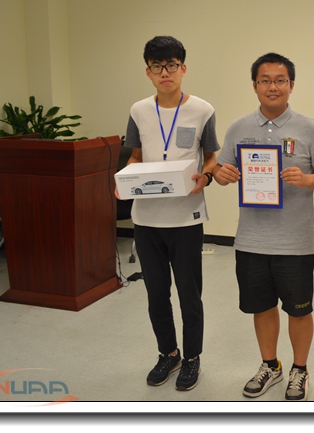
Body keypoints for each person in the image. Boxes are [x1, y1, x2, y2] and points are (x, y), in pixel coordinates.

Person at [212, 52, 314, 401]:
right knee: (262, 307)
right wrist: (222, 174)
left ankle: (300, 369)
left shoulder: (309, 128)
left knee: (299, 311)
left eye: (280, 80)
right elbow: (220, 171)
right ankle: (271, 365)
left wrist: (306, 179)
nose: (273, 87)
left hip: (295, 242)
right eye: (265, 80)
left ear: (291, 85)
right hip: (251, 240)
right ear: (255, 86)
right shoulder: (238, 128)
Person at [117, 35, 220, 391]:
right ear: (148, 72)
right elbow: (134, 157)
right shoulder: (138, 110)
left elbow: (211, 157)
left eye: (171, 65)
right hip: (146, 220)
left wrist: (206, 176)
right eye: (157, 67)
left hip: (186, 217)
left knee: (190, 295)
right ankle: (169, 353)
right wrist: (122, 181)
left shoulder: (203, 110)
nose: (165, 73)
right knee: (156, 294)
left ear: (183, 68)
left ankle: (192, 358)